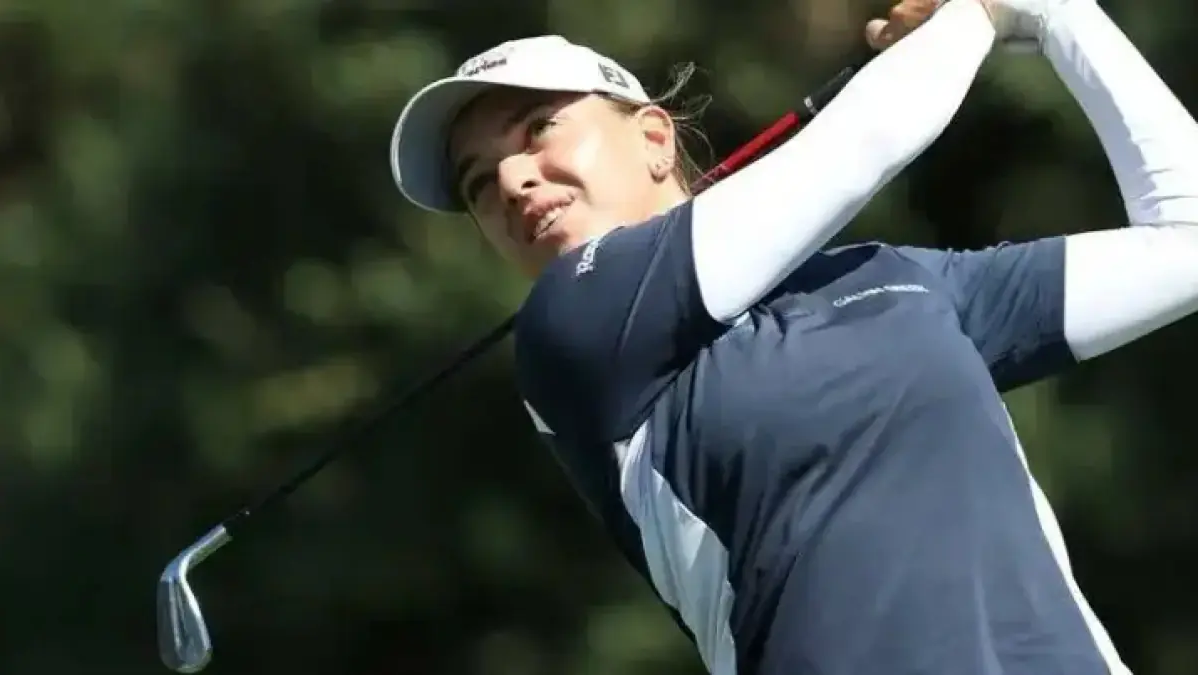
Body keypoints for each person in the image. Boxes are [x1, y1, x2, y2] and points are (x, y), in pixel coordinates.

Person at [389, 0, 1198, 671]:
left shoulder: (897, 280)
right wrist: (977, 15)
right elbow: (864, 143)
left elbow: (1186, 244)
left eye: (538, 128)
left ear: (655, 138)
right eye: (477, 182)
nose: (510, 180)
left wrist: (1061, 16)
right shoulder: (570, 332)